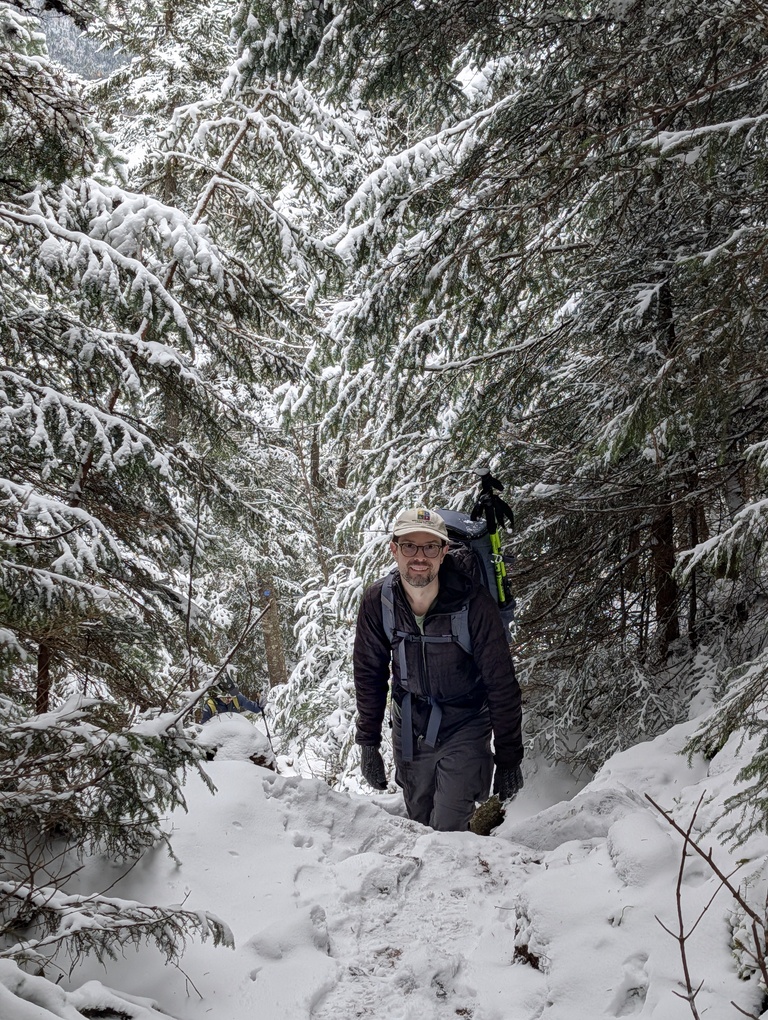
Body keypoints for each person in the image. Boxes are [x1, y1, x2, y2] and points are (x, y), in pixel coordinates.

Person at [353, 506, 523, 831]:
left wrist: (509, 756)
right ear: (394, 549)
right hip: (410, 727)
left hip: (466, 723)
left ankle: (455, 877)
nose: (420, 556)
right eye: (409, 546)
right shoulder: (379, 602)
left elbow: (501, 684)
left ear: (444, 551)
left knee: (447, 830)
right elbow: (369, 674)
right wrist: (368, 744)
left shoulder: (474, 604)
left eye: (430, 546)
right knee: (420, 823)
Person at [201, 681, 265, 723]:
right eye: (226, 698)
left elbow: (255, 708)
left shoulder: (236, 698)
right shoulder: (210, 706)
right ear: (218, 697)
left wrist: (260, 700)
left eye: (231, 697)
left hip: (236, 733)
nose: (230, 700)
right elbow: (204, 728)